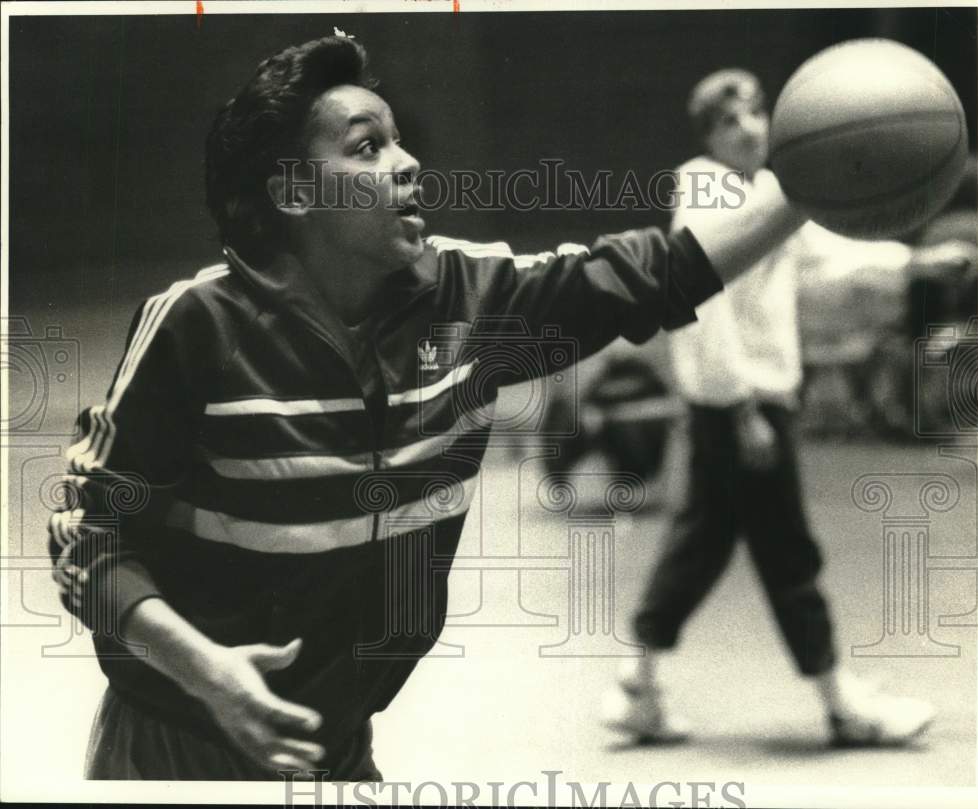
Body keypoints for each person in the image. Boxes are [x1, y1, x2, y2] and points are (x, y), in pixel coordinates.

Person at [48, 34, 809, 780]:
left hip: (333, 748)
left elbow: (654, 273)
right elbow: (88, 530)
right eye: (367, 147)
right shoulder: (197, 325)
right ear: (293, 191)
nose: (409, 164)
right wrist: (204, 670)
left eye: (400, 141)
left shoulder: (465, 302)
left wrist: (808, 183)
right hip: (176, 747)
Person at [602, 68, 968, 748]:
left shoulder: (767, 191)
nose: (746, 128)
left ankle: (639, 685)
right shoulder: (707, 194)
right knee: (787, 551)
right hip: (740, 406)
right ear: (707, 138)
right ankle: (840, 703)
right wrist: (742, 410)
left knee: (701, 545)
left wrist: (915, 264)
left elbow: (826, 256)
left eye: (753, 112)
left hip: (741, 407)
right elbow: (702, 312)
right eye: (726, 121)